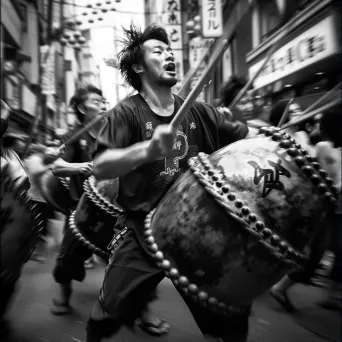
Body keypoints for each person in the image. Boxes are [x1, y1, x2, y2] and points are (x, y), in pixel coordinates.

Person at [84, 23, 249, 342]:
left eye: (170, 50)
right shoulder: (126, 113)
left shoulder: (202, 112)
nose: (169, 54)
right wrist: (147, 149)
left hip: (199, 232)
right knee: (107, 313)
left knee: (229, 319)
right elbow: (101, 167)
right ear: (138, 66)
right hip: (143, 229)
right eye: (157, 51)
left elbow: (245, 141)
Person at [270, 108, 341, 312]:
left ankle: (333, 295)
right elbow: (311, 174)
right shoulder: (321, 147)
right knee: (313, 254)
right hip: (323, 208)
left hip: (336, 211)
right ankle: (280, 287)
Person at [49, 84, 107, 315]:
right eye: (96, 101)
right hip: (81, 209)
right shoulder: (74, 136)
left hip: (113, 209)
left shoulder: (115, 134)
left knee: (126, 258)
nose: (102, 104)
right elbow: (57, 167)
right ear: (82, 108)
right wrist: (81, 166)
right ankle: (64, 299)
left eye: (103, 101)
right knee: (66, 259)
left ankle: (138, 308)